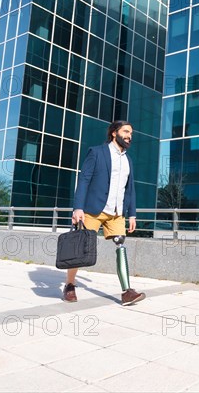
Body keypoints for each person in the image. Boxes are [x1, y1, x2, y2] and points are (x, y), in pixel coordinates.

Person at [63, 120, 145, 306]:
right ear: (114, 133)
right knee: (80, 247)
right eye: (125, 131)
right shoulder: (97, 152)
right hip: (93, 210)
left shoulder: (128, 159)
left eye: (131, 133)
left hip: (116, 213)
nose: (129, 136)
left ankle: (127, 292)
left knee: (120, 245)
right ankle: (69, 285)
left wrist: (132, 214)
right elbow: (84, 180)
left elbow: (129, 189)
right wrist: (78, 208)